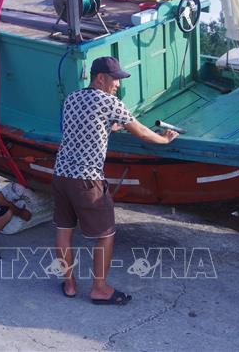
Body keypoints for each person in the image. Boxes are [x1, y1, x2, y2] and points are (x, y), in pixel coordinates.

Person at [53, 56, 179, 305]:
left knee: (63, 230)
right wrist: (164, 140)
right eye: (115, 79)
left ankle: (69, 284)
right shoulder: (109, 102)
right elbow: (142, 132)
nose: (118, 85)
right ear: (100, 78)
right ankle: (99, 288)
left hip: (60, 175)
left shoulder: (72, 98)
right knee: (106, 233)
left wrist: (110, 127)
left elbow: (83, 125)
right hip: (87, 181)